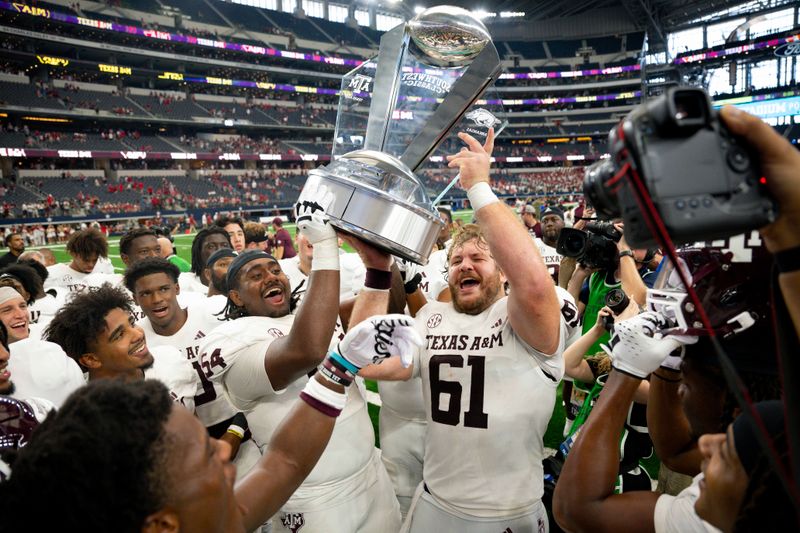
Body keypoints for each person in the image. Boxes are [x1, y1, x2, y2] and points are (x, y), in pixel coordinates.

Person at [0, 310, 419, 532]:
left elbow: (284, 461)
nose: (225, 448)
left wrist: (339, 366)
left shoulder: (200, 520)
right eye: (203, 457)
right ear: (162, 525)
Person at [362, 129, 565, 532]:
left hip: (511, 511)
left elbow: (535, 285)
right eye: (456, 260)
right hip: (436, 502)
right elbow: (366, 359)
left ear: (503, 270)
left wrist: (479, 189)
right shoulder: (430, 318)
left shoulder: (520, 316)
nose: (464, 265)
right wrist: (376, 270)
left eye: (478, 257)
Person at [201, 185, 402, 532]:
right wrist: (325, 246)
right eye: (256, 275)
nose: (271, 277)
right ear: (235, 295)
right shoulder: (230, 339)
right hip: (314, 500)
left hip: (372, 476)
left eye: (275, 269)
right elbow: (306, 349)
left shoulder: (315, 314)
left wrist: (380, 262)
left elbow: (388, 308)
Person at [124, 258, 237, 436]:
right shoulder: (135, 339)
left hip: (236, 419)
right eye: (145, 293)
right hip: (183, 436)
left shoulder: (213, 312)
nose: (157, 299)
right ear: (135, 299)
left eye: (163, 289)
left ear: (176, 288)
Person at [44, 283, 197, 410]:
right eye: (119, 335)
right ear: (91, 359)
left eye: (131, 323)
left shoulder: (170, 358)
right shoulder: (88, 414)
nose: (138, 334)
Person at [44, 227, 111, 294]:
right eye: (86, 260)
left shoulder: (104, 266)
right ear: (73, 254)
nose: (91, 264)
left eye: (94, 260)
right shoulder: (54, 275)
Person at [184, 227, 233, 293]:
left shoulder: (239, 284)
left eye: (225, 245)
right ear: (199, 252)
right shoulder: (185, 285)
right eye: (211, 246)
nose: (220, 251)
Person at [535, 205, 566, 284]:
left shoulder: (573, 246)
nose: (549, 224)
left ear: (563, 223)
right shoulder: (532, 246)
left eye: (554, 220)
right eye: (544, 221)